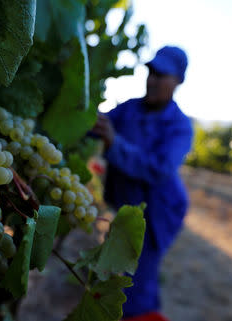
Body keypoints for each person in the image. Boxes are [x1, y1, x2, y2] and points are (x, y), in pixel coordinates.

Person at [91, 46, 193, 321]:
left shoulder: (180, 126)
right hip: (130, 205)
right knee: (132, 272)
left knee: (137, 275)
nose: (153, 80)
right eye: (151, 72)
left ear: (179, 80)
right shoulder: (128, 109)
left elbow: (159, 168)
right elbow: (96, 125)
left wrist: (115, 143)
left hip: (160, 211)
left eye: (162, 75)